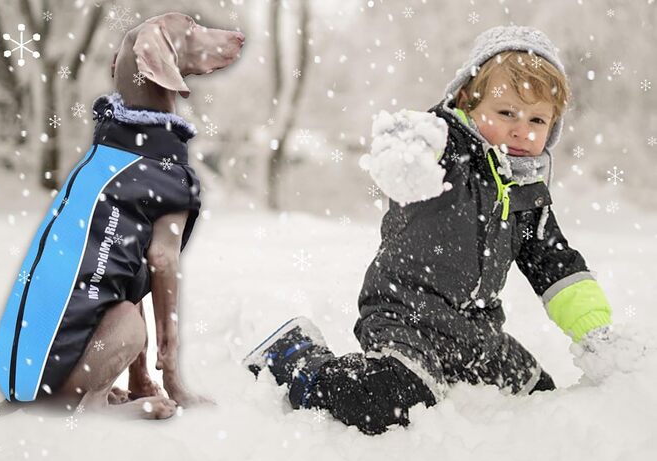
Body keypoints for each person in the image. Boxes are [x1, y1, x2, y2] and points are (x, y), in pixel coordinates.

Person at [244, 25, 619, 435]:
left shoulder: (526, 192)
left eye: (537, 119)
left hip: (478, 335)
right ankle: (300, 361)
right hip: (406, 315)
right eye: (506, 112)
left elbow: (555, 262)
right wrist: (409, 154)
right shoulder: (445, 148)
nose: (520, 130)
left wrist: (596, 331)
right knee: (388, 400)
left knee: (538, 395)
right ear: (467, 102)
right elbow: (412, 140)